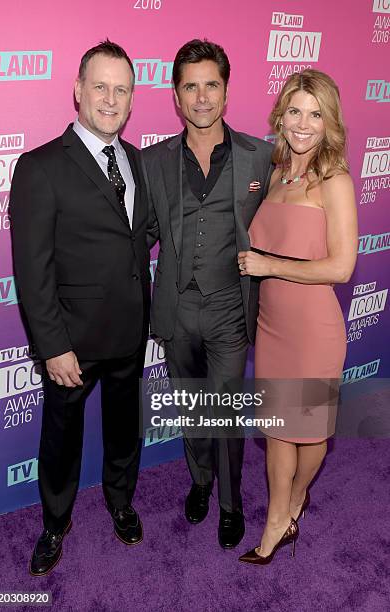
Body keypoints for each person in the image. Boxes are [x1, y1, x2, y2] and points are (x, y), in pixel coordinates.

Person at [9, 40, 150, 576]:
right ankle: (54, 523)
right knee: (62, 439)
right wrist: (53, 346)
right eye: (100, 86)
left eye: (121, 89)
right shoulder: (40, 167)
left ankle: (121, 501)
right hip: (71, 342)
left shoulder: (137, 161)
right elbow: (32, 269)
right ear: (77, 90)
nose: (110, 99)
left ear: (132, 98)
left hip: (131, 333)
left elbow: (139, 238)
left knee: (123, 429)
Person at [142, 39, 273, 549]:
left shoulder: (260, 156)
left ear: (226, 90)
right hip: (176, 309)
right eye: (190, 87)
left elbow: (285, 219)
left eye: (210, 85)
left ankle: (231, 502)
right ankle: (200, 483)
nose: (201, 97)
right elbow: (138, 232)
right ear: (176, 96)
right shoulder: (153, 161)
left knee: (226, 414)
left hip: (229, 310)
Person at [237, 69, 358, 565]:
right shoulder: (274, 173)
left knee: (309, 435)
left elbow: (341, 266)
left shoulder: (336, 181)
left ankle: (295, 500)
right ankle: (276, 519)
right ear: (280, 117)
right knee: (276, 428)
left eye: (315, 114)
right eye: (295, 111)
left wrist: (268, 264)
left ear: (329, 123)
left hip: (312, 330)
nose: (303, 124)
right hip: (271, 326)